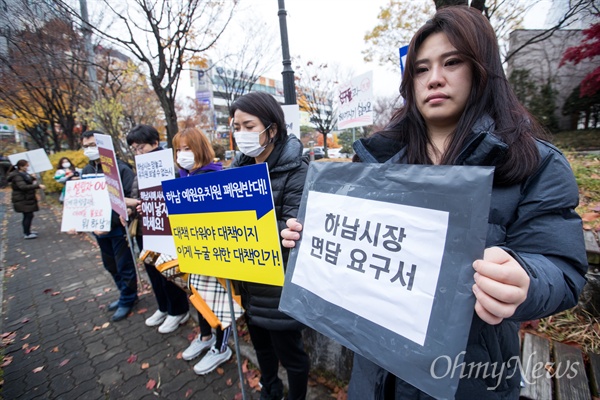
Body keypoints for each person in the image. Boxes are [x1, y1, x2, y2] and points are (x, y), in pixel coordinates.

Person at [281, 6, 587, 400]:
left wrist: (525, 278)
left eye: (452, 62)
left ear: (483, 69)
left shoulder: (536, 163)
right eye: (421, 69)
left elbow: (562, 268)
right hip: (374, 377)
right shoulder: (374, 164)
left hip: (468, 380)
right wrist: (307, 242)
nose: (435, 78)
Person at [231, 91, 310, 400]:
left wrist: (254, 230)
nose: (241, 135)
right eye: (236, 127)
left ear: (272, 129)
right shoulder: (236, 170)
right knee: (261, 348)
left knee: (291, 356)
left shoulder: (297, 170)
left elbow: (294, 229)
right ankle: (270, 390)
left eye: (248, 126)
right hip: (248, 280)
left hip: (280, 287)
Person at [171, 127, 232, 375]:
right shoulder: (181, 178)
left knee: (218, 300)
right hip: (191, 252)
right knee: (197, 295)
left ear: (200, 149)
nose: (183, 154)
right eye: (179, 149)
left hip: (216, 255)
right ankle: (205, 336)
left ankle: (221, 346)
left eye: (188, 148)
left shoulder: (217, 176)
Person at [125, 124, 190, 334]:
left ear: (155, 143)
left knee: (167, 272)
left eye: (141, 147)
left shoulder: (168, 167)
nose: (138, 152)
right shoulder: (141, 168)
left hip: (165, 232)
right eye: (134, 149)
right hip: (144, 229)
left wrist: (138, 204)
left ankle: (178, 310)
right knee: (153, 271)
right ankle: (163, 307)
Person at [81, 130, 139, 322]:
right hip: (98, 229)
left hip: (117, 229)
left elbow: (130, 200)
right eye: (86, 146)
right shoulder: (87, 171)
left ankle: (128, 299)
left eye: (93, 145)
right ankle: (124, 294)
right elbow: (87, 200)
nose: (89, 150)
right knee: (110, 265)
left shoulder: (121, 169)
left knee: (124, 265)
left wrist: (114, 221)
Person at [7, 159, 46, 239]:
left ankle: (28, 231)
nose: (27, 167)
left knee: (29, 215)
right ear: (21, 167)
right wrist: (37, 186)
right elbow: (23, 186)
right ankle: (27, 233)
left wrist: (32, 178)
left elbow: (27, 181)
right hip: (22, 198)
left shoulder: (23, 174)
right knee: (27, 215)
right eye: (26, 166)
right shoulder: (17, 176)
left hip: (26, 198)